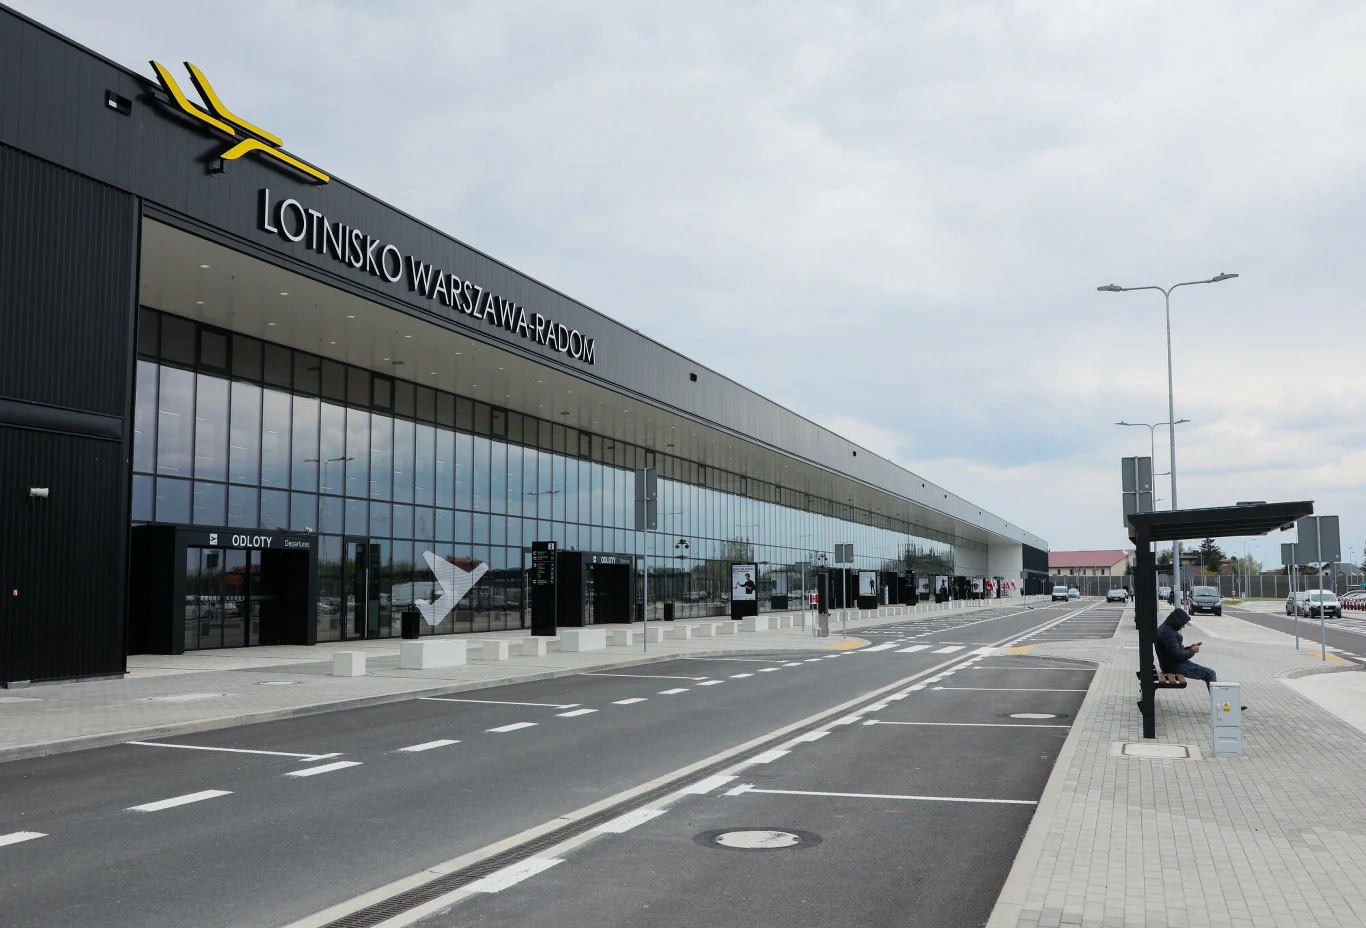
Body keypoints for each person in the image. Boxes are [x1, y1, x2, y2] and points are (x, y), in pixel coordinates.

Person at [1155, 607, 1217, 689]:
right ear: (1177, 622)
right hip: (1175, 666)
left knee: (1209, 673)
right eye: (1183, 624)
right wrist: (1192, 651)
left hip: (1170, 665)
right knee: (1210, 674)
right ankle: (1216, 697)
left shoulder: (1166, 629)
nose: (1183, 626)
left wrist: (1190, 648)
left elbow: (1174, 651)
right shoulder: (1168, 633)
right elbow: (1178, 656)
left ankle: (1215, 696)